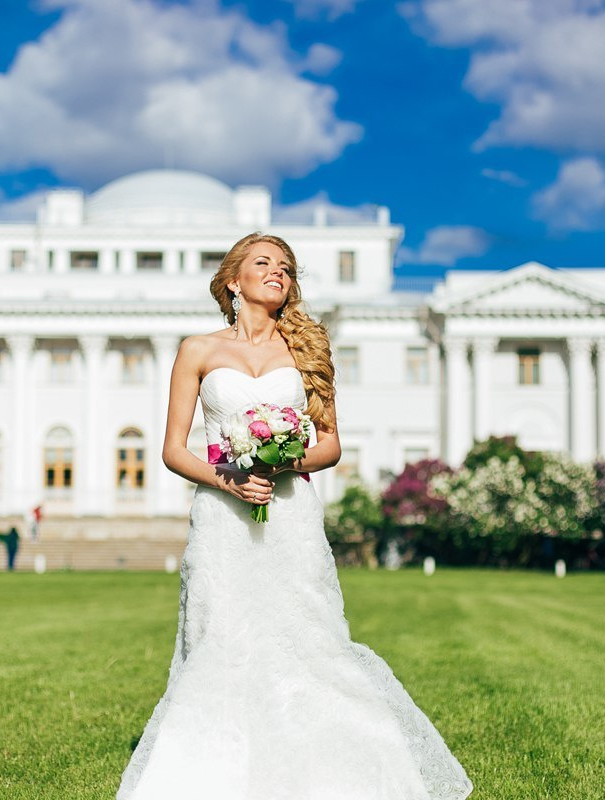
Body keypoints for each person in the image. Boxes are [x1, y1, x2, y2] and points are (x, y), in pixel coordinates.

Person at [116, 233, 473, 799]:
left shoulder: (307, 349)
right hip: (221, 518)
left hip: (291, 517)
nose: (277, 272)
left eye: (285, 267)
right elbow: (174, 449)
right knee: (221, 638)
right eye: (263, 263)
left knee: (308, 637)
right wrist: (229, 478)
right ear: (234, 280)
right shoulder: (198, 350)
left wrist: (280, 461)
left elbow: (329, 445)